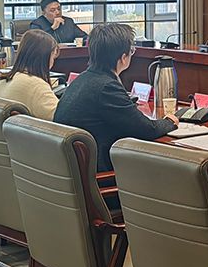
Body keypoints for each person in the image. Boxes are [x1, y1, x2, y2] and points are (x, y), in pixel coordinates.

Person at [53, 22, 176, 172]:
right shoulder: (107, 87)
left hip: (74, 172)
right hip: (101, 175)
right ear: (123, 57)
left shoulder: (82, 79)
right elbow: (147, 129)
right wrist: (170, 121)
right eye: (131, 51)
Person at [0, 30, 60, 120]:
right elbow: (62, 118)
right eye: (53, 57)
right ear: (45, 57)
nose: (53, 62)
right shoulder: (37, 86)